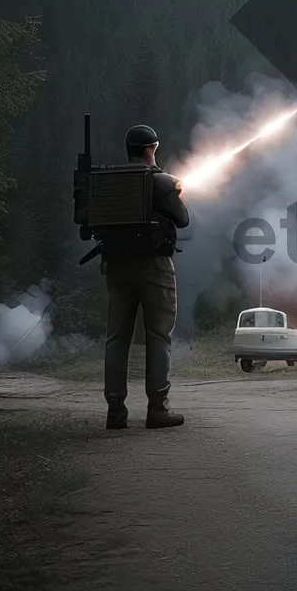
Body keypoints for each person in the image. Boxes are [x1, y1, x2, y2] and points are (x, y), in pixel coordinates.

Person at [103, 125, 190, 430]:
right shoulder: (160, 181)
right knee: (158, 336)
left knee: (116, 338)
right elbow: (183, 218)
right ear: (151, 149)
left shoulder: (107, 182)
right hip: (153, 266)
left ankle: (115, 411)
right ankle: (158, 409)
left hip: (116, 265)